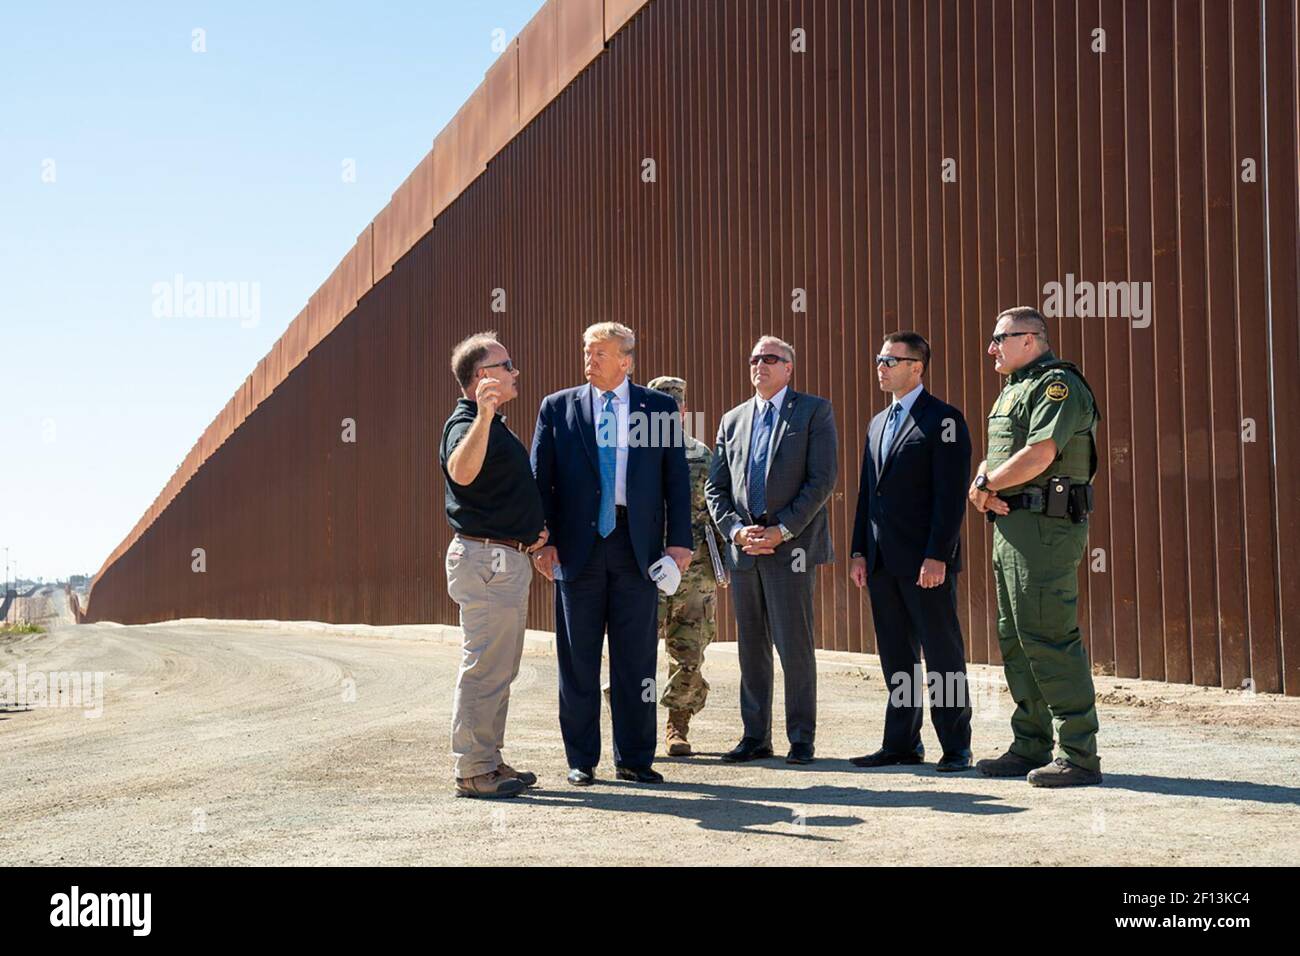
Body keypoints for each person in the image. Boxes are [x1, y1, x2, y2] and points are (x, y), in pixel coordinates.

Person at [530, 322, 693, 786]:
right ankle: (582, 759)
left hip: (636, 547)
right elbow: (541, 480)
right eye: (587, 351)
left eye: (600, 352)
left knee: (636, 658)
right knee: (578, 658)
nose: (590, 359)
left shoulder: (657, 408)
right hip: (576, 547)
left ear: (627, 361)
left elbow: (675, 480)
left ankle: (636, 758)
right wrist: (544, 543)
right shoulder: (558, 407)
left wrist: (679, 542)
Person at [967, 306, 1103, 787]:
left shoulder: (1056, 386)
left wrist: (985, 485)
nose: (991, 348)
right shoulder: (1014, 389)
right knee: (1016, 638)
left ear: (1031, 339)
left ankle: (1079, 753)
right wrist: (985, 481)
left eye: (998, 338)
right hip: (1012, 526)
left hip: (1046, 528)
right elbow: (1001, 452)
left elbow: (1040, 453)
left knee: (1048, 635)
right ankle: (1030, 744)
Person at [705, 335, 838, 765]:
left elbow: (821, 480)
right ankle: (755, 737)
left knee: (794, 646)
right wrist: (736, 531)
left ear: (789, 368)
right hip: (745, 550)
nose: (760, 364)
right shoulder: (733, 419)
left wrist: (783, 530)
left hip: (790, 548)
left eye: (770, 359)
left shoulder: (813, 411)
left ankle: (801, 739)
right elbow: (715, 486)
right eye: (754, 358)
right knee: (751, 648)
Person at [848, 331, 974, 772]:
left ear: (916, 367)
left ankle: (956, 745)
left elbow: (951, 495)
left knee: (942, 656)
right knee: (897, 657)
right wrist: (859, 551)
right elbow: (868, 493)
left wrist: (938, 554)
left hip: (926, 562)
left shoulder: (944, 419)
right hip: (882, 562)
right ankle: (901, 742)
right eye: (879, 358)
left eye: (890, 360)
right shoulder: (878, 423)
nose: (881, 366)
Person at [440, 332, 549, 799]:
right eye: (507, 365)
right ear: (483, 378)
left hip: (503, 558)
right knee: (485, 667)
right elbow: (461, 473)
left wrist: (534, 534)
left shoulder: (492, 426)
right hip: (487, 560)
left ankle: (489, 759)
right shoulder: (465, 423)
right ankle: (473, 771)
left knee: (500, 668)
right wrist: (483, 415)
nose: (515, 372)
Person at [645, 375, 718, 757]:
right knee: (635, 648)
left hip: (695, 572)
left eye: (675, 407)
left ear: (685, 410)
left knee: (689, 652)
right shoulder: (633, 452)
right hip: (645, 568)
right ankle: (636, 723)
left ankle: (678, 725)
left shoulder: (700, 454)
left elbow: (718, 508)